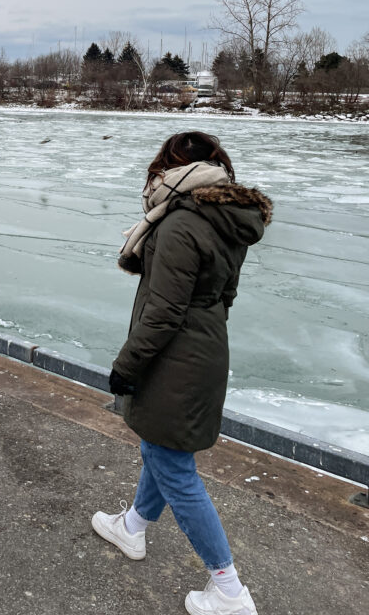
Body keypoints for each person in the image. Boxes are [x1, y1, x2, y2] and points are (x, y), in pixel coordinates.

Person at [91, 131, 272, 615]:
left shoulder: (178, 224)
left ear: (172, 172)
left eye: (159, 169)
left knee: (174, 467)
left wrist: (126, 365)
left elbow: (164, 312)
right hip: (205, 350)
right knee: (161, 446)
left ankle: (228, 589)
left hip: (175, 357)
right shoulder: (228, 219)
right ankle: (132, 527)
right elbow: (224, 296)